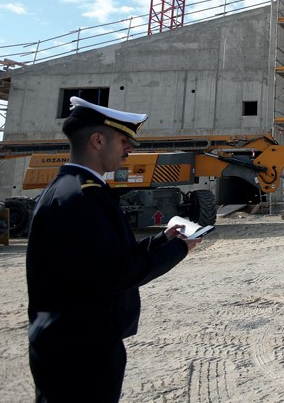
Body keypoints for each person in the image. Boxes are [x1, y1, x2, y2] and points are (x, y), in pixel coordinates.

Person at [26, 97, 200, 402]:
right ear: (97, 140)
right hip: (82, 351)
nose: (129, 148)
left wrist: (162, 240)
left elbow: (102, 258)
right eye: (123, 140)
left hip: (70, 342)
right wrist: (179, 250)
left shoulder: (67, 188)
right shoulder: (83, 197)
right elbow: (114, 274)